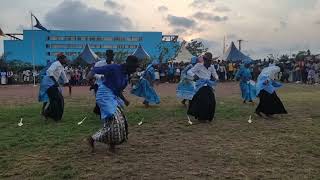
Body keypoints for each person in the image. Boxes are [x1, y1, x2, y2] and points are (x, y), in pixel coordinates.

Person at [87, 55, 139, 152]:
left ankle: (111, 145)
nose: (135, 70)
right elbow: (95, 70)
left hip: (113, 97)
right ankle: (93, 138)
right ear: (128, 64)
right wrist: (89, 78)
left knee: (120, 120)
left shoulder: (125, 76)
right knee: (114, 119)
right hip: (104, 95)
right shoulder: (114, 68)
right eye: (134, 67)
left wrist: (124, 100)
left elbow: (118, 90)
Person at [187, 52, 219, 122]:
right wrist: (195, 76)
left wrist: (216, 78)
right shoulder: (198, 65)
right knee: (204, 101)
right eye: (208, 60)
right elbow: (189, 72)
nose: (209, 62)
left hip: (208, 85)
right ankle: (201, 118)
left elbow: (215, 74)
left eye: (210, 61)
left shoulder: (212, 67)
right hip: (200, 86)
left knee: (212, 101)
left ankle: (209, 117)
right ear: (204, 60)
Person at [38, 53, 69, 121]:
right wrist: (55, 82)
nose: (66, 60)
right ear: (60, 59)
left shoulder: (60, 65)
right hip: (48, 83)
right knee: (56, 99)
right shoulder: (56, 64)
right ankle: (48, 114)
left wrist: (67, 82)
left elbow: (63, 74)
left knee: (56, 99)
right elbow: (49, 72)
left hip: (51, 83)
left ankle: (49, 114)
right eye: (65, 59)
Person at [90, 49, 115, 116]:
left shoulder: (114, 65)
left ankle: (104, 112)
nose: (111, 57)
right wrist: (101, 77)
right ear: (106, 55)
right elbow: (93, 73)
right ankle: (100, 111)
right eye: (109, 55)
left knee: (107, 99)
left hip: (108, 86)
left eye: (112, 55)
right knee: (99, 99)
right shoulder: (99, 63)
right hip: (98, 84)